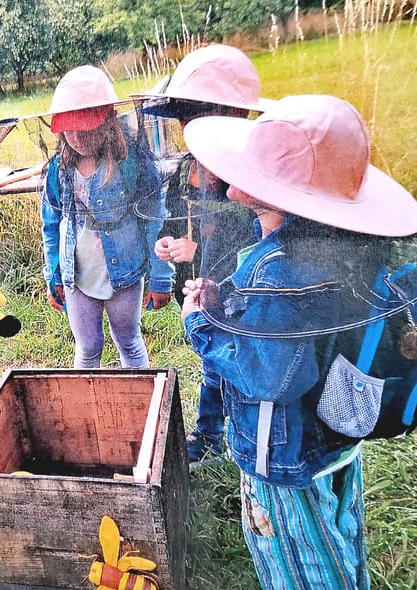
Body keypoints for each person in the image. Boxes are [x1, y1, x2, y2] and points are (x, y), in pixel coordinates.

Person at [180, 94, 417, 588]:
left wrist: (201, 324)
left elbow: (270, 376)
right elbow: (304, 333)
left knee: (299, 563)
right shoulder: (342, 248)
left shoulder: (281, 271)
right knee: (338, 536)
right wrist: (225, 301)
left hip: (282, 454)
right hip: (335, 435)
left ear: (272, 191)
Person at [143, 44, 262, 462]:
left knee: (232, 365)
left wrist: (207, 248)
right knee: (212, 362)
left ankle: (228, 435)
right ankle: (213, 433)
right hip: (196, 288)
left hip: (241, 291)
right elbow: (173, 221)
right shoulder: (183, 170)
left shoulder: (254, 173)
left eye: (199, 117)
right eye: (186, 119)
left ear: (233, 117)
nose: (190, 127)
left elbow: (262, 236)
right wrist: (167, 244)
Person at [41, 65, 173, 369]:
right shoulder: (58, 170)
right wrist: (54, 276)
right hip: (78, 276)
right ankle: (87, 410)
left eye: (86, 127)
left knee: (128, 341)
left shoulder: (131, 164)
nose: (77, 136)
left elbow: (155, 221)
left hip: (124, 274)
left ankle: (140, 405)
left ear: (108, 121)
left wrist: (160, 277)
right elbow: (52, 226)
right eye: (69, 128)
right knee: (87, 348)